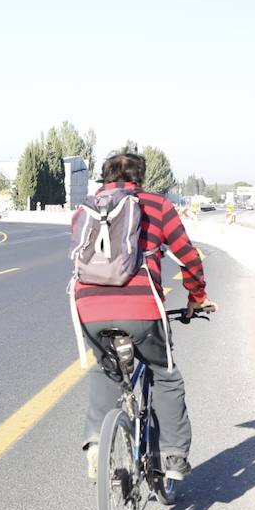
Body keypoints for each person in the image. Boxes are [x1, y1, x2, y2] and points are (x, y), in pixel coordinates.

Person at [73, 152, 217, 480]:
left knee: (108, 370)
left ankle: (97, 442)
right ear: (141, 177)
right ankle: (172, 456)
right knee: (165, 373)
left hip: (90, 307)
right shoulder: (157, 205)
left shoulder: (86, 208)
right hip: (141, 307)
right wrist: (197, 297)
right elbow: (189, 258)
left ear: (103, 178)